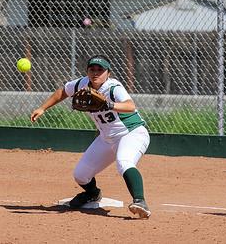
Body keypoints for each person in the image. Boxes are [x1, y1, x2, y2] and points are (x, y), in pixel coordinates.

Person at [30, 55, 151, 219]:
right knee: (80, 174)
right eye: (92, 69)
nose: (96, 73)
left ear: (108, 73)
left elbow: (130, 106)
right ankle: (92, 194)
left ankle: (140, 201)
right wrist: (42, 108)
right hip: (106, 138)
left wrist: (109, 104)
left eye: (100, 69)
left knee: (124, 162)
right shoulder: (81, 84)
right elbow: (63, 92)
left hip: (131, 133)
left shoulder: (113, 87)